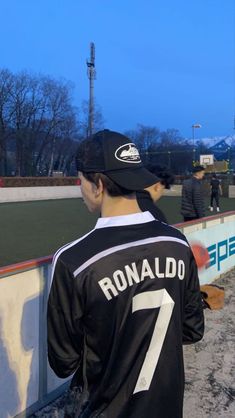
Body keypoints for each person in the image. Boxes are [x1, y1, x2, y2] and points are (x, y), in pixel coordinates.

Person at [47, 129, 204, 418]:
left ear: (98, 184)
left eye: (80, 179)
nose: (79, 188)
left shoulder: (74, 261)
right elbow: (192, 329)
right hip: (167, 407)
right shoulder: (177, 243)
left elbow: (63, 362)